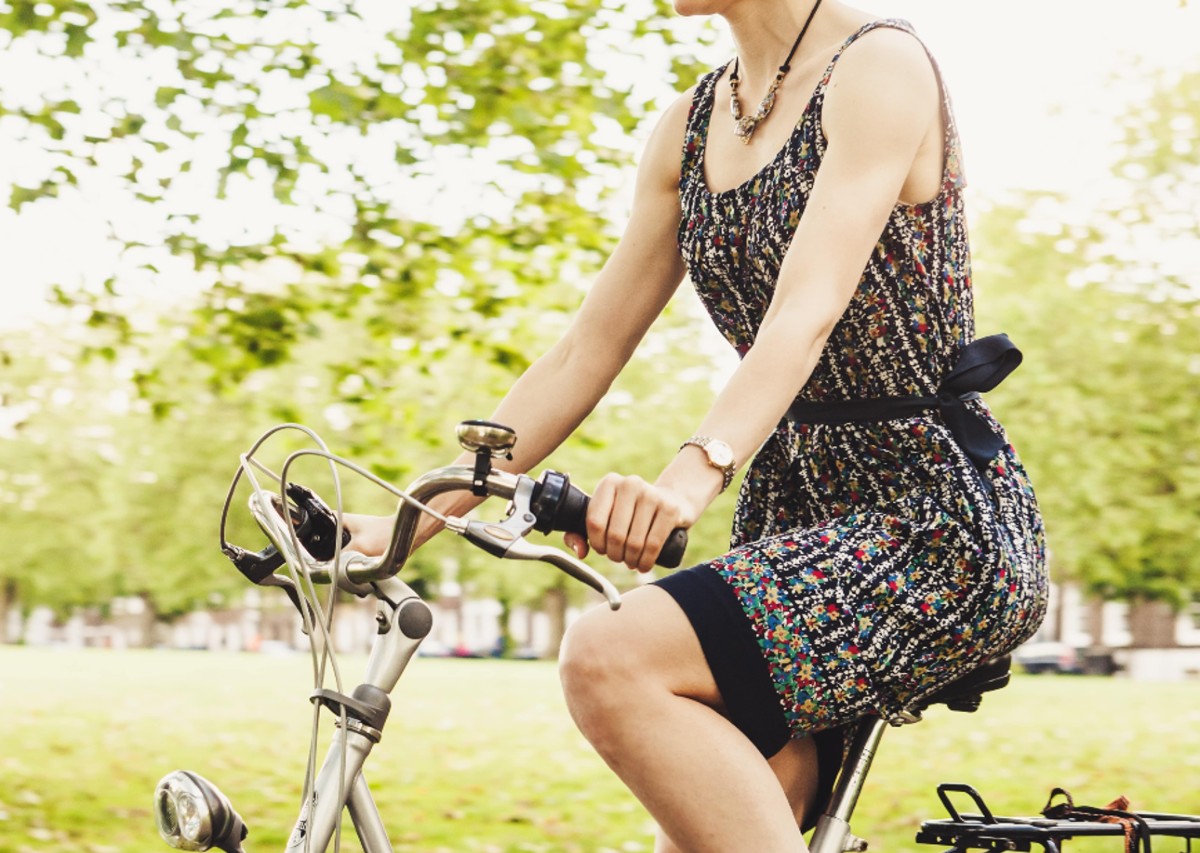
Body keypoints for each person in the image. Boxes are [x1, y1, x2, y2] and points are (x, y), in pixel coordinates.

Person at [346, 1, 1049, 850]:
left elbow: (805, 312)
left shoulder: (878, 66)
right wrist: (411, 519)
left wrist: (689, 476)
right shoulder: (688, 126)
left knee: (612, 656)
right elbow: (586, 350)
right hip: (794, 514)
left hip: (932, 516)